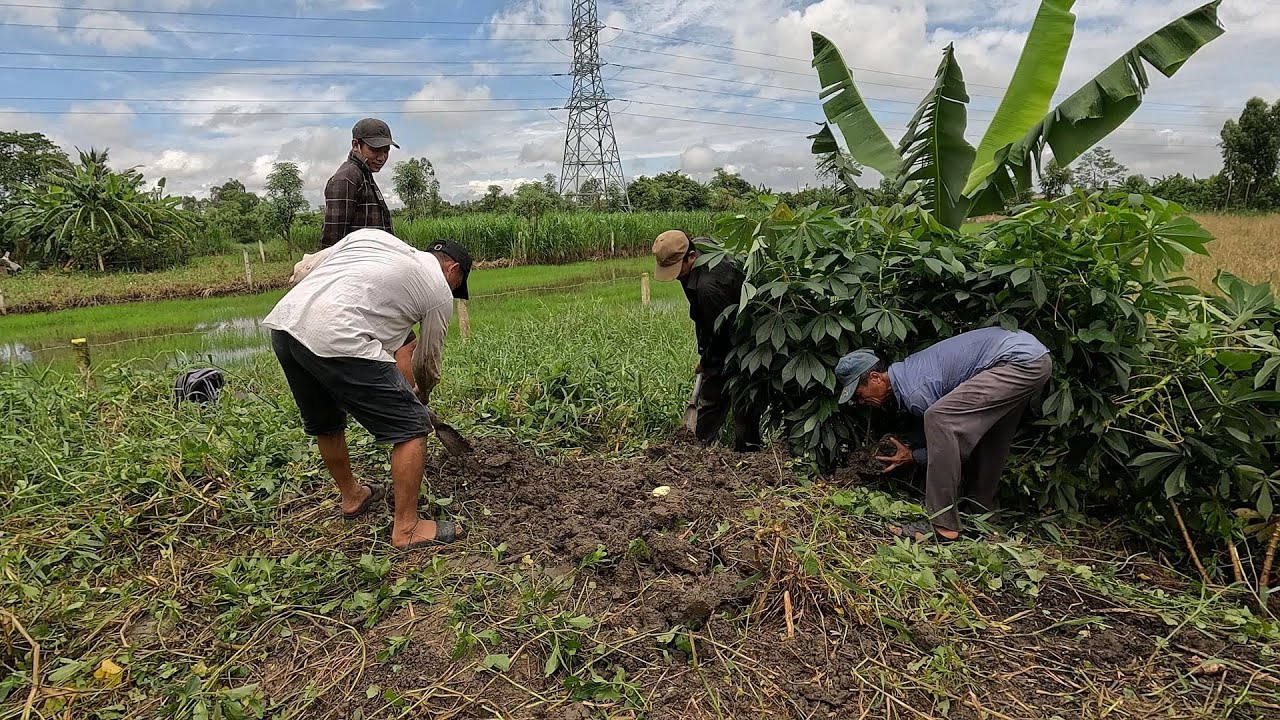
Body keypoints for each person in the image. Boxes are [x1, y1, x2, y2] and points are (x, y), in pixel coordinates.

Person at [263, 228, 473, 551]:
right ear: (452, 270)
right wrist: (421, 399)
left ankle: (352, 497)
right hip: (337, 336)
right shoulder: (439, 290)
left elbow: (308, 266)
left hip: (286, 324)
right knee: (411, 428)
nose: (454, 292)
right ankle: (407, 527)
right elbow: (427, 363)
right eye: (458, 286)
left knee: (327, 421)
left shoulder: (375, 240)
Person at [834, 327, 1052, 541]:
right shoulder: (909, 373)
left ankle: (942, 525)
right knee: (990, 435)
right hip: (1032, 358)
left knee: (938, 418)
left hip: (1016, 361)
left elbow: (950, 443)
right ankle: (981, 515)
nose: (861, 402)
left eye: (860, 394)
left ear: (875, 378)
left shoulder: (915, 392)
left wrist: (913, 456)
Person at [321, 118, 416, 382]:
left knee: (399, 345)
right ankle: (411, 409)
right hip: (357, 283)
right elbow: (332, 240)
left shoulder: (364, 177)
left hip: (374, 280)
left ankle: (406, 407)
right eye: (375, 150)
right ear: (355, 145)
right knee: (404, 344)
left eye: (386, 151)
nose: (382, 157)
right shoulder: (346, 179)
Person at [652, 229, 761, 451]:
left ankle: (748, 456)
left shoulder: (709, 288)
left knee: (736, 397)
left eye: (677, 270)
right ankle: (699, 446)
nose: (676, 276)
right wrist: (705, 353)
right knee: (714, 391)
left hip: (745, 338)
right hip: (722, 329)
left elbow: (719, 334)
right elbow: (702, 318)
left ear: (691, 256)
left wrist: (707, 361)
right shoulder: (699, 248)